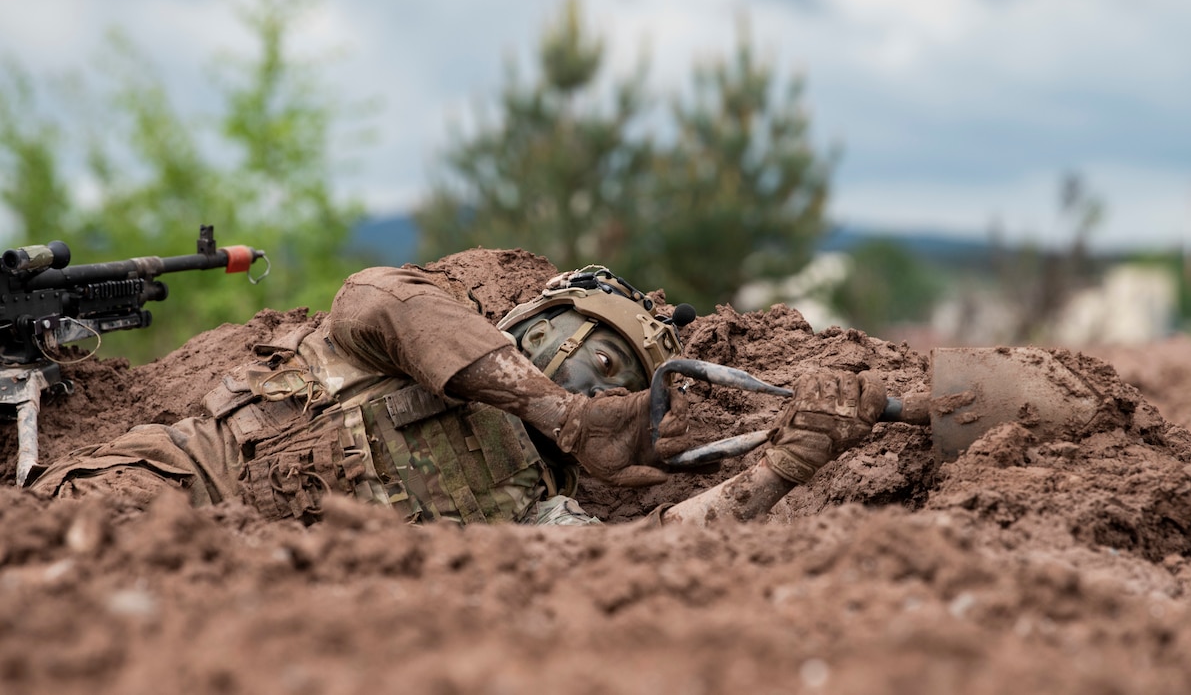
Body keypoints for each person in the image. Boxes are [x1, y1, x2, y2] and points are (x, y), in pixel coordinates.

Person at [29, 251, 887, 527]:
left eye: (609, 365)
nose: (579, 361)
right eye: (565, 335)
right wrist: (562, 412)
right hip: (171, 485)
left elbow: (646, 559)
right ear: (522, 320)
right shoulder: (422, 330)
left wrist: (789, 461)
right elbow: (375, 295)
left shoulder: (552, 499)